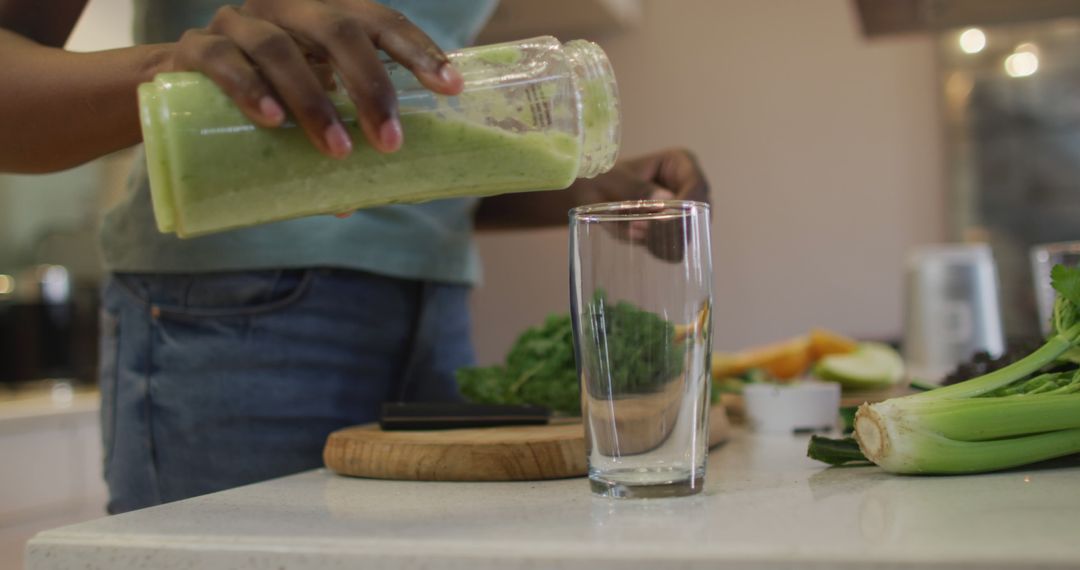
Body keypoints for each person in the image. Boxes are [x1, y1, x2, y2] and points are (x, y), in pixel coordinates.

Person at [0, 0, 710, 514]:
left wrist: (574, 177)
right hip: (228, 330)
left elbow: (378, 157)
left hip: (435, 321)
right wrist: (171, 69)